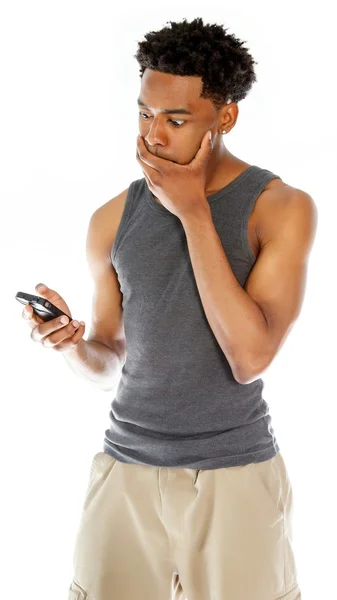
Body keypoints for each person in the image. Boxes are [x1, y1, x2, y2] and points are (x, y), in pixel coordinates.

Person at [22, 17, 317, 600]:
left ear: (225, 117)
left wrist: (194, 213)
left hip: (235, 475)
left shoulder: (279, 208)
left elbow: (252, 355)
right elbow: (109, 362)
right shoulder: (111, 219)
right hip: (124, 472)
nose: (153, 136)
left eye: (177, 119)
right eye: (144, 114)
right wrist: (71, 344)